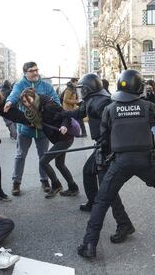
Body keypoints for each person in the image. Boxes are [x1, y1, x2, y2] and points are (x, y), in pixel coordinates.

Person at [77, 70, 155, 258]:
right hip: (146, 160)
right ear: (140, 88)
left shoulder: (110, 109)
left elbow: (105, 136)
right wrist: (149, 99)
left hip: (120, 162)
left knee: (102, 200)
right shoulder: (148, 106)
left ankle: (89, 244)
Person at [57, 73, 134, 244]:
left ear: (87, 88)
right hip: (103, 145)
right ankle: (93, 202)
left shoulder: (103, 102)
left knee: (107, 188)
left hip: (108, 147)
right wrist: (60, 113)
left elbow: (114, 125)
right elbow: (79, 112)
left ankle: (124, 224)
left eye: (81, 89)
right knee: (88, 171)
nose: (79, 92)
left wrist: (106, 144)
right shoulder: (94, 99)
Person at [4, 62, 60, 195]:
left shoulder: (46, 86)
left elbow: (56, 101)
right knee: (20, 155)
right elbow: (14, 94)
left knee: (43, 156)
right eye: (31, 70)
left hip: (42, 129)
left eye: (36, 69)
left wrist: (50, 109)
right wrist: (9, 102)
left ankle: (45, 181)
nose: (35, 72)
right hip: (25, 129)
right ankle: (16, 183)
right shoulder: (20, 85)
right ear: (25, 73)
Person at [19, 88, 79, 198]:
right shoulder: (36, 108)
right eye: (24, 102)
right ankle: (73, 188)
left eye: (28, 100)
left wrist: (64, 125)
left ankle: (56, 186)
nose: (26, 104)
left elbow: (65, 115)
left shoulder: (48, 105)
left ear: (35, 97)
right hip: (58, 139)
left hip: (65, 138)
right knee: (60, 164)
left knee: (43, 161)